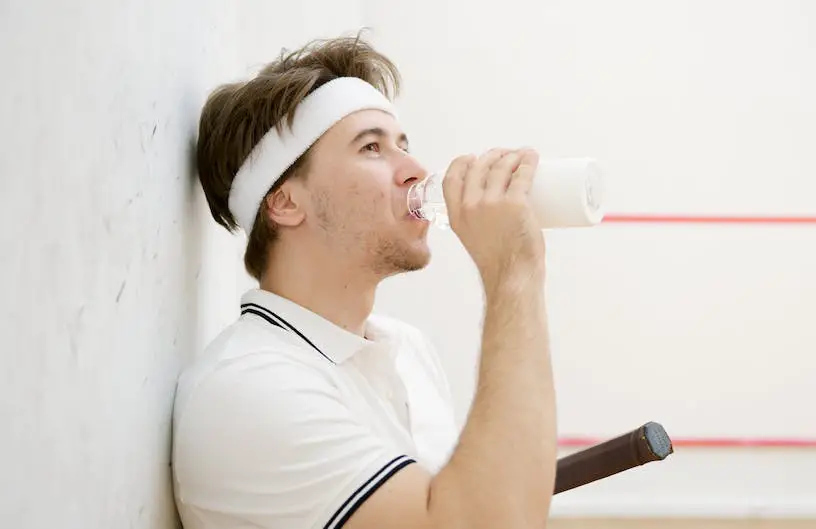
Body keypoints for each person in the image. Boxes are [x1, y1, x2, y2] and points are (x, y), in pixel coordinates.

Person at [172, 34, 556, 529]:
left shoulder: (407, 348)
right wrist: (513, 272)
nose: (415, 169)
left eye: (404, 145)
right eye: (372, 147)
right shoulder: (249, 390)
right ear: (285, 202)